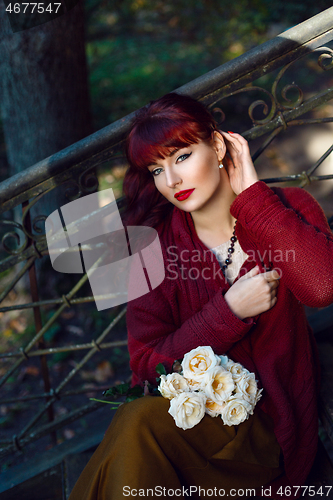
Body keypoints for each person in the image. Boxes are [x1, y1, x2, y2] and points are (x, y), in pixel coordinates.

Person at [68, 93, 333, 500]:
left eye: (182, 156)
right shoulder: (151, 251)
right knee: (136, 422)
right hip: (191, 435)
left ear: (219, 145)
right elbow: (145, 370)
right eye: (157, 169)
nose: (171, 181)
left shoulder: (287, 210)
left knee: (134, 430)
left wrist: (254, 198)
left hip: (270, 435)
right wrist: (227, 313)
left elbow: (322, 287)